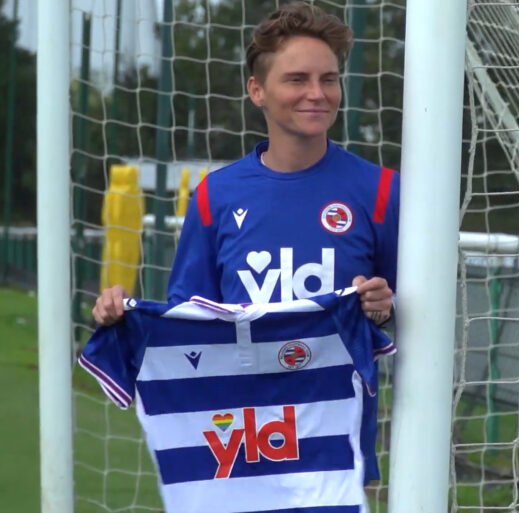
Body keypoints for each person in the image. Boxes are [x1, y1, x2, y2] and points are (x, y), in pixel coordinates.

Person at [91, 1, 399, 483]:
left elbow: (404, 312)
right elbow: (188, 320)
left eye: (329, 79)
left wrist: (383, 305)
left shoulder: (381, 191)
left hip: (331, 446)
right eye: (297, 79)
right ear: (257, 90)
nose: (317, 93)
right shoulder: (217, 193)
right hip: (237, 445)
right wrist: (121, 314)